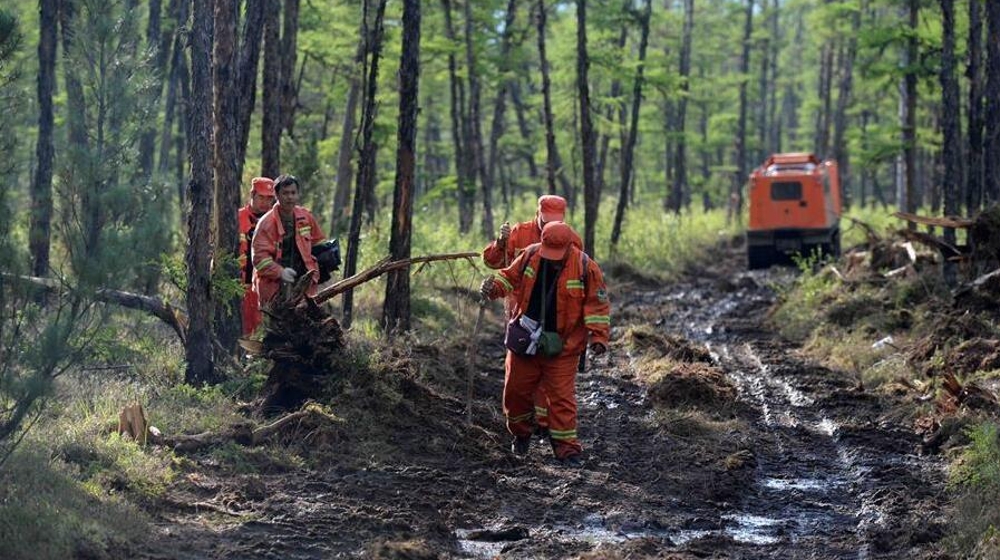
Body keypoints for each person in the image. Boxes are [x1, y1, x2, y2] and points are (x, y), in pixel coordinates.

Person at [479, 222, 610, 466]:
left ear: (570, 245)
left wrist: (599, 337)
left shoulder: (585, 267)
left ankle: (567, 450)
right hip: (524, 340)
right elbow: (508, 278)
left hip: (564, 347)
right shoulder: (530, 254)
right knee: (515, 392)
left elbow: (598, 305)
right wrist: (492, 288)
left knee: (561, 399)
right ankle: (521, 435)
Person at [481, 195, 584, 439]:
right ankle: (524, 425)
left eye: (555, 221)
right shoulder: (519, 233)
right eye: (545, 221)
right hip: (521, 316)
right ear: (537, 214)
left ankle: (543, 423)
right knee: (519, 376)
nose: (548, 226)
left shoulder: (572, 241)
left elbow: (580, 277)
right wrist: (500, 243)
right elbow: (492, 262)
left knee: (547, 371)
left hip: (554, 319)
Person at [251, 174, 327, 306]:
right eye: (285, 193)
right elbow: (259, 259)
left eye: (293, 193)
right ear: (277, 195)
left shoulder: (305, 217)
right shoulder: (266, 224)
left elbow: (318, 243)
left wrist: (326, 258)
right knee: (276, 324)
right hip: (274, 288)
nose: (290, 197)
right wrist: (281, 272)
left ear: (298, 194)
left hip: (303, 285)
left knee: (306, 322)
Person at [238, 177, 276, 335]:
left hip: (266, 286)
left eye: (269, 198)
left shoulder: (275, 221)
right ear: (252, 195)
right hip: (239, 286)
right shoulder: (236, 217)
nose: (265, 202)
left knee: (263, 329)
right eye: (261, 197)